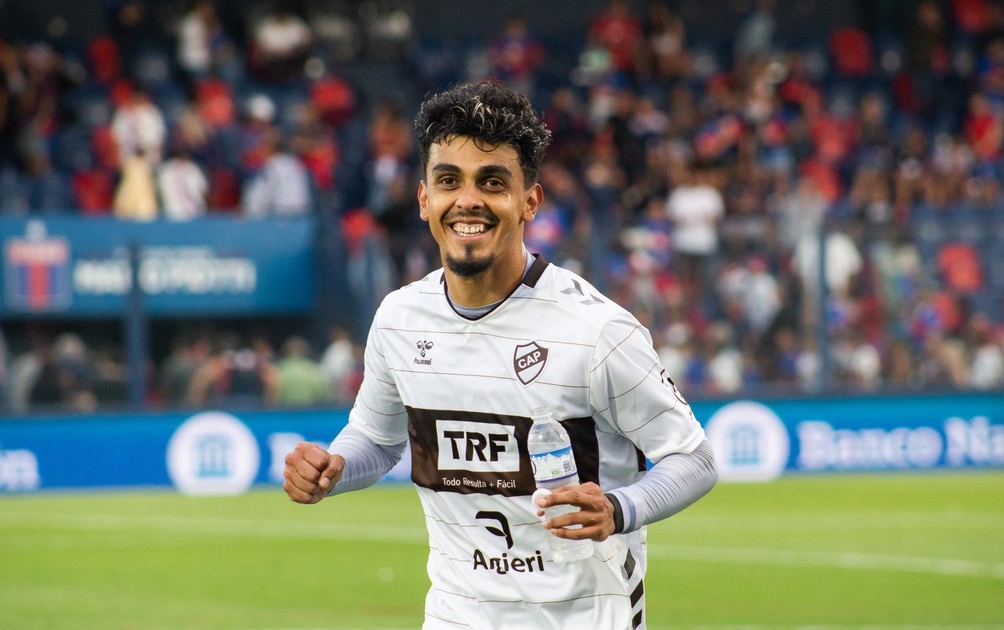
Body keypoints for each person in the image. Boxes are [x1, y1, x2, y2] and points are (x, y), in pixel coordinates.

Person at [283, 81, 717, 628]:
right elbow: (378, 437)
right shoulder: (399, 318)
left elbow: (694, 460)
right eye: (449, 181)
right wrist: (335, 468)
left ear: (529, 201)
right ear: (424, 199)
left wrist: (618, 509)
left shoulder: (597, 330)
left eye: (492, 182)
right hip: (456, 614)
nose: (468, 200)